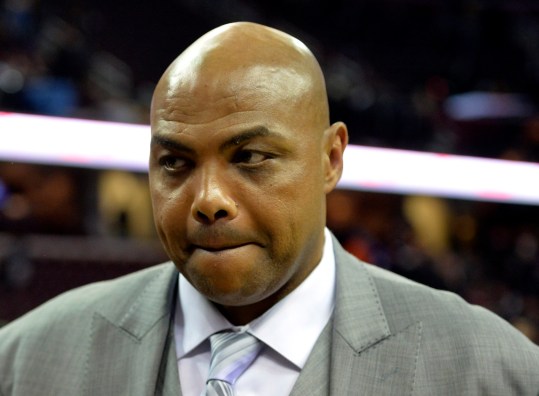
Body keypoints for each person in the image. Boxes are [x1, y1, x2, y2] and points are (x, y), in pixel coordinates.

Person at [1, 22, 538, 396]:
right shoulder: (24, 363)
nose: (209, 199)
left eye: (251, 157)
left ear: (331, 159)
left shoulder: (492, 370)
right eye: (175, 163)